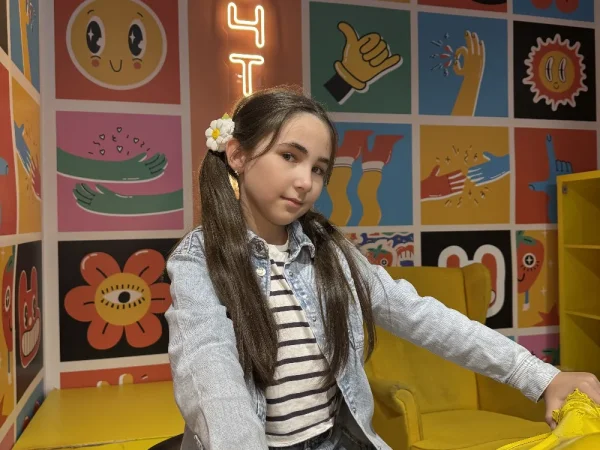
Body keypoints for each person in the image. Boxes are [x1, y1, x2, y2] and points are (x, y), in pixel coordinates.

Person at [164, 86, 600, 450]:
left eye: (319, 169)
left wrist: (540, 376)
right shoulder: (198, 260)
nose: (305, 182)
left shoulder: (331, 252)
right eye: (290, 157)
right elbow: (211, 374)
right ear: (237, 155)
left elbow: (423, 316)